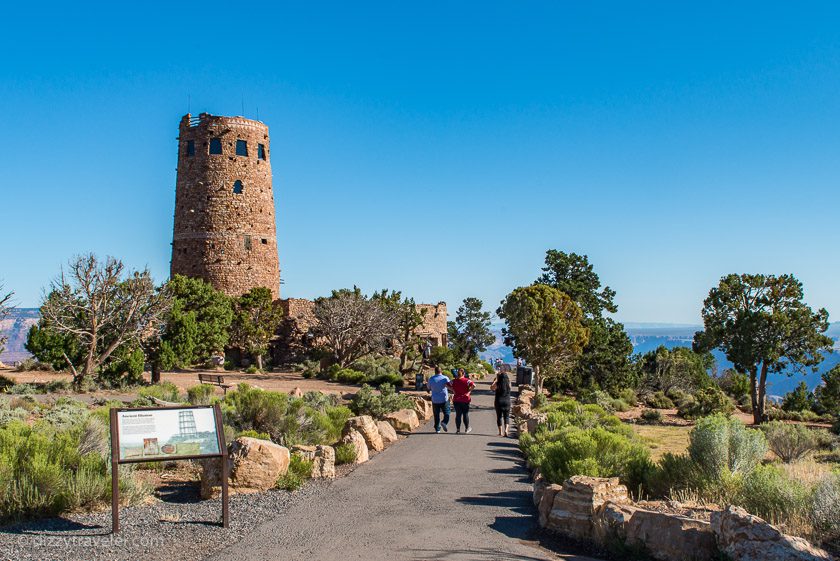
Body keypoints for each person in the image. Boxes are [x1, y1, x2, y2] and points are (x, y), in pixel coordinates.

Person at [450, 368, 475, 434]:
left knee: (458, 415)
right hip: (465, 399)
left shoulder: (454, 381)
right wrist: (468, 392)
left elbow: (446, 385)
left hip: (456, 399)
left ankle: (458, 430)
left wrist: (453, 390)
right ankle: (467, 429)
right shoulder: (467, 381)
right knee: (465, 414)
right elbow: (474, 385)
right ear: (464, 373)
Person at [426, 366, 450, 433]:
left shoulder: (431, 379)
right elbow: (450, 385)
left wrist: (429, 390)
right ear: (441, 371)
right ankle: (444, 422)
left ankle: (437, 429)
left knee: (436, 415)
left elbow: (428, 388)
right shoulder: (445, 378)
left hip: (435, 399)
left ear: (435, 371)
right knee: (447, 412)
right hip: (444, 399)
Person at [490, 369, 512, 437]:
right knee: (507, 417)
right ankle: (506, 430)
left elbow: (491, 388)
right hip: (507, 401)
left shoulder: (497, 384)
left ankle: (500, 432)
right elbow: (510, 387)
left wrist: (494, 381)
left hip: (499, 401)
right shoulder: (508, 383)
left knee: (499, 417)